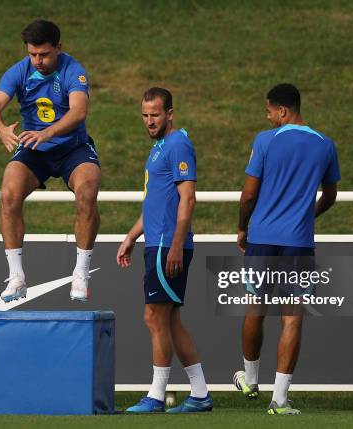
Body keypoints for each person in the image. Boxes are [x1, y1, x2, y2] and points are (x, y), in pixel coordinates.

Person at [233, 83, 340, 415]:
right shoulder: (325, 145)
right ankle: (279, 400)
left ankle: (250, 380)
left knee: (255, 309)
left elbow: (249, 194)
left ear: (283, 110)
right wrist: (308, 215)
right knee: (292, 320)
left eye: (269, 111)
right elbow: (331, 194)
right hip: (298, 242)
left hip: (262, 239)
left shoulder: (265, 141)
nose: (268, 118)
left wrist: (241, 228)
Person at [0, 19, 101, 303]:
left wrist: (46, 133)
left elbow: (79, 112)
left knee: (87, 190)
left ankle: (81, 273)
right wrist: (1, 131)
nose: (37, 60)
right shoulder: (20, 70)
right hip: (35, 148)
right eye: (32, 54)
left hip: (72, 148)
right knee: (8, 193)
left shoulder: (74, 71)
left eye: (44, 54)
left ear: (58, 48)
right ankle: (17, 277)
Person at [116, 88, 212, 413]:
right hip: (156, 243)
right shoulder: (159, 148)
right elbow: (155, 203)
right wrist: (131, 236)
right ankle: (200, 394)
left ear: (170, 113)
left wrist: (175, 245)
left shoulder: (178, 144)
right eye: (144, 115)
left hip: (166, 246)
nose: (149, 121)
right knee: (170, 321)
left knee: (153, 316)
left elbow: (188, 198)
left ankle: (156, 396)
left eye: (155, 115)